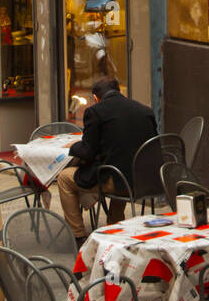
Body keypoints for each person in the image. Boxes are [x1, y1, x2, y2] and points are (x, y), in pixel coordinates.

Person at [56, 77, 156, 244]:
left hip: (117, 180)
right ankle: (115, 226)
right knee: (120, 166)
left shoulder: (95, 112)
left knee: (64, 178)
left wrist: (72, 147)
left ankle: (78, 235)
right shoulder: (145, 111)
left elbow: (87, 152)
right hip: (144, 180)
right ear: (119, 91)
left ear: (96, 98)